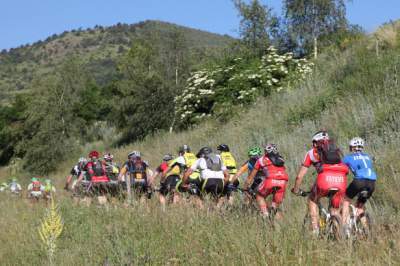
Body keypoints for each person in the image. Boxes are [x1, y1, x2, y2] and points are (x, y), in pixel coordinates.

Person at [292, 131, 349, 234]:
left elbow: (299, 176)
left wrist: (296, 190)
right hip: (341, 179)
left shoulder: (311, 153)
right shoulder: (336, 151)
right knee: (334, 210)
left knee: (312, 200)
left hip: (324, 180)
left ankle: (315, 230)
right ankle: (340, 236)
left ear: (315, 143)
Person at [341, 137, 377, 233]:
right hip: (372, 183)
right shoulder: (368, 157)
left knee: (346, 200)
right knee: (359, 206)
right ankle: (366, 230)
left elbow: (341, 169)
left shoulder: (348, 158)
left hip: (359, 181)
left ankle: (344, 227)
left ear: (352, 147)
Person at [243, 144, 289, 218]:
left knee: (259, 196)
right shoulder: (281, 159)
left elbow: (250, 177)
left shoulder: (261, 160)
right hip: (283, 182)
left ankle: (265, 215)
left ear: (266, 152)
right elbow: (284, 171)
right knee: (274, 208)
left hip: (270, 180)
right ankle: (277, 224)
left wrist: (245, 188)